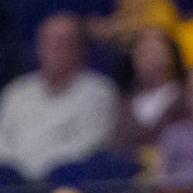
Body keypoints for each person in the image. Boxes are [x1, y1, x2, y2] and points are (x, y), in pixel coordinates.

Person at [0, 13, 117, 180]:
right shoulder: (16, 91)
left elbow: (90, 144)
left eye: (61, 42)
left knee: (67, 174)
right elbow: (2, 141)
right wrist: (20, 168)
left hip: (66, 180)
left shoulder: (99, 92)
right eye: (47, 42)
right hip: (15, 181)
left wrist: (40, 165)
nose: (53, 49)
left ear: (79, 48)